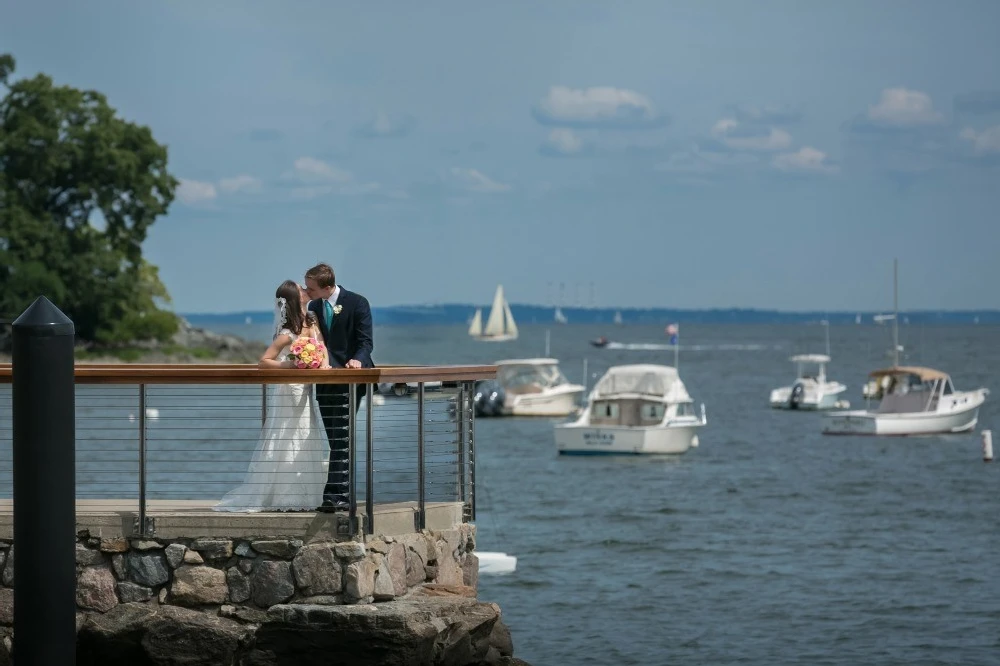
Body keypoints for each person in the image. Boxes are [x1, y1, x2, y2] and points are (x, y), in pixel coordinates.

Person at [214, 280, 330, 512]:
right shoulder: (287, 334)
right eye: (301, 290)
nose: (306, 291)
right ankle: (285, 497)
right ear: (294, 299)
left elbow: (322, 347)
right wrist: (293, 365)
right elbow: (264, 362)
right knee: (287, 437)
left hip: (306, 391)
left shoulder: (313, 319)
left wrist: (323, 365)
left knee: (307, 435)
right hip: (289, 391)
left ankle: (307, 495)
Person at [304, 262, 374, 512]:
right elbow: (315, 342)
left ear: (326, 287)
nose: (307, 291)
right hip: (325, 380)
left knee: (342, 436)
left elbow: (366, 342)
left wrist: (358, 360)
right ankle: (340, 494)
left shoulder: (357, 303)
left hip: (351, 380)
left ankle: (335, 496)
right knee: (334, 438)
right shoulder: (313, 306)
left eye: (310, 288)